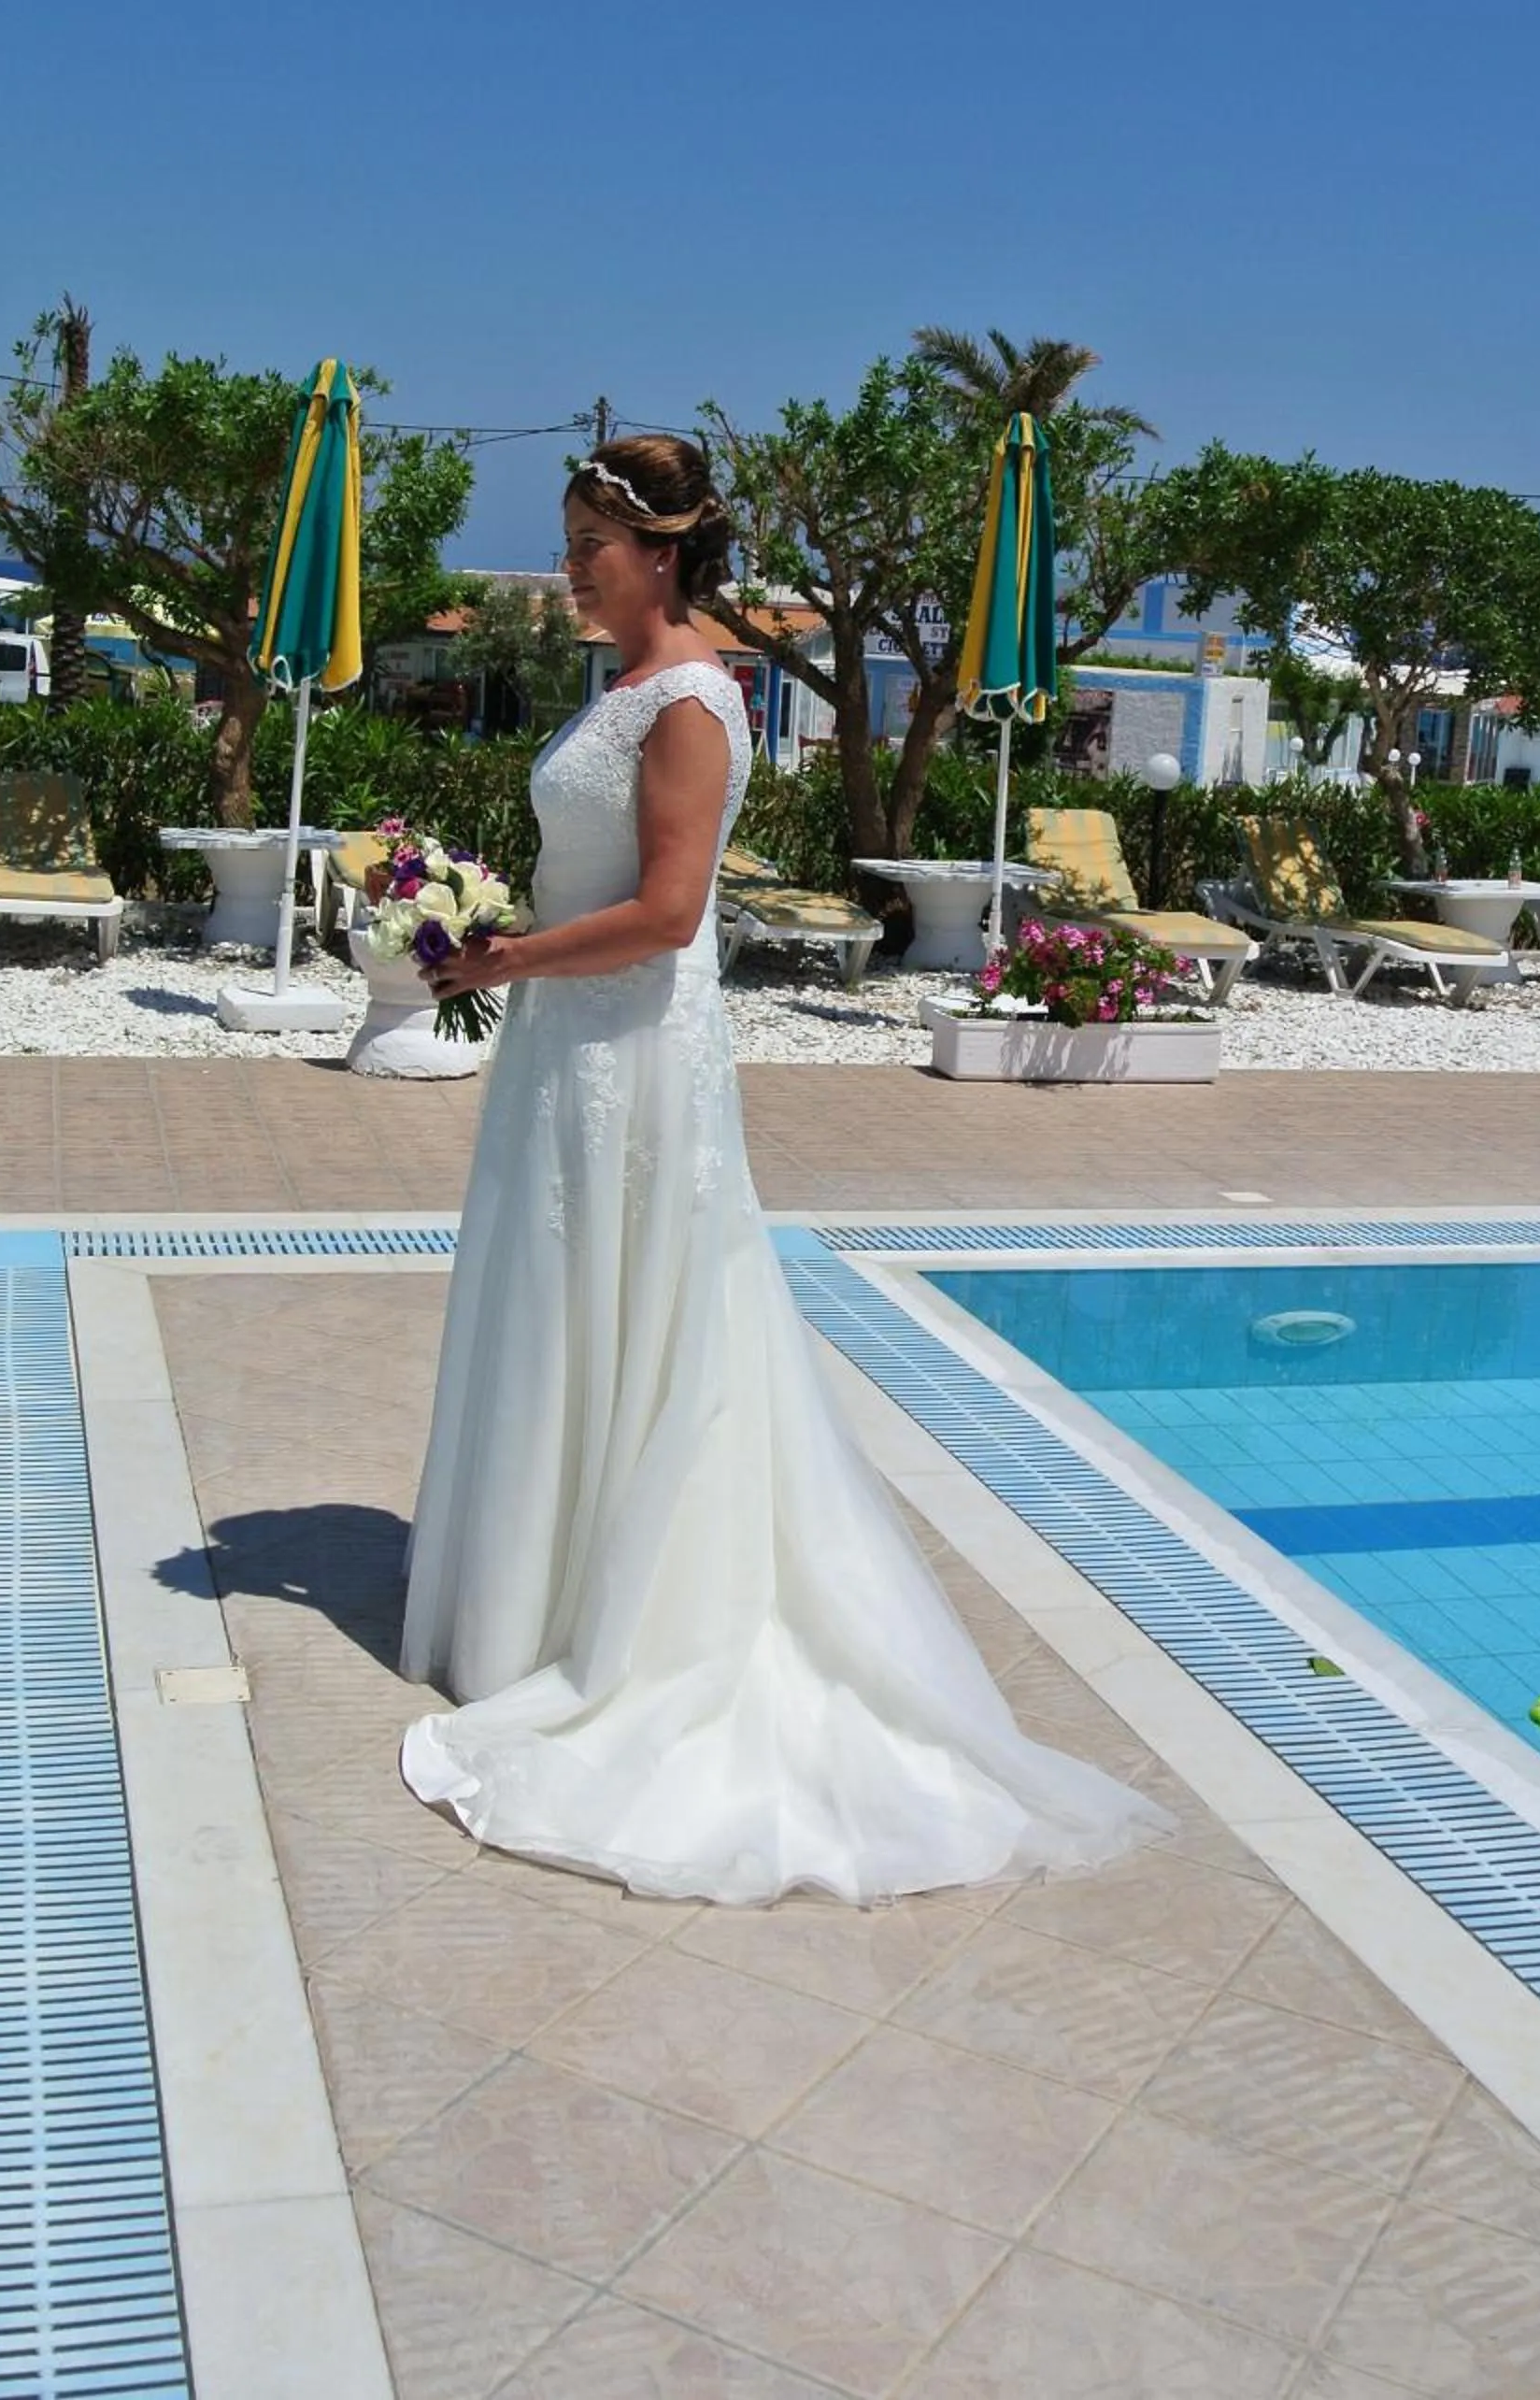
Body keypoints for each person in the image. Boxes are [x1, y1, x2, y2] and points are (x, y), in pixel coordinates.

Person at [398, 435, 1172, 1905]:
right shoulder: (622, 685)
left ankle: (628, 1618)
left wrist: (501, 957)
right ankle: (542, 1594)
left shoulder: (691, 697)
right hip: (571, 1048)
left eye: (591, 544)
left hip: (628, 1049)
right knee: (568, 1310)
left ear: (668, 553)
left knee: (642, 1316)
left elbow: (671, 914)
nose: (570, 565)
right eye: (568, 540)